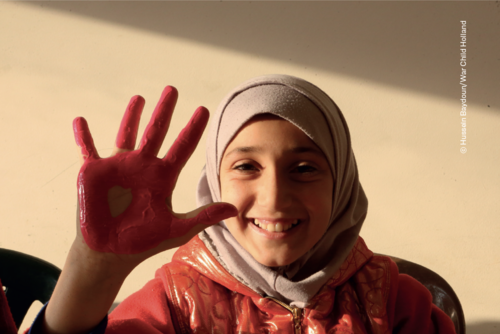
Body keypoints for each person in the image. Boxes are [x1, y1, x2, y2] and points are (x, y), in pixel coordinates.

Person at [28, 75, 456, 334]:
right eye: (247, 166)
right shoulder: (175, 305)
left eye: (304, 168)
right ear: (215, 180)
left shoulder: (397, 303)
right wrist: (92, 272)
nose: (273, 197)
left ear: (342, 182)